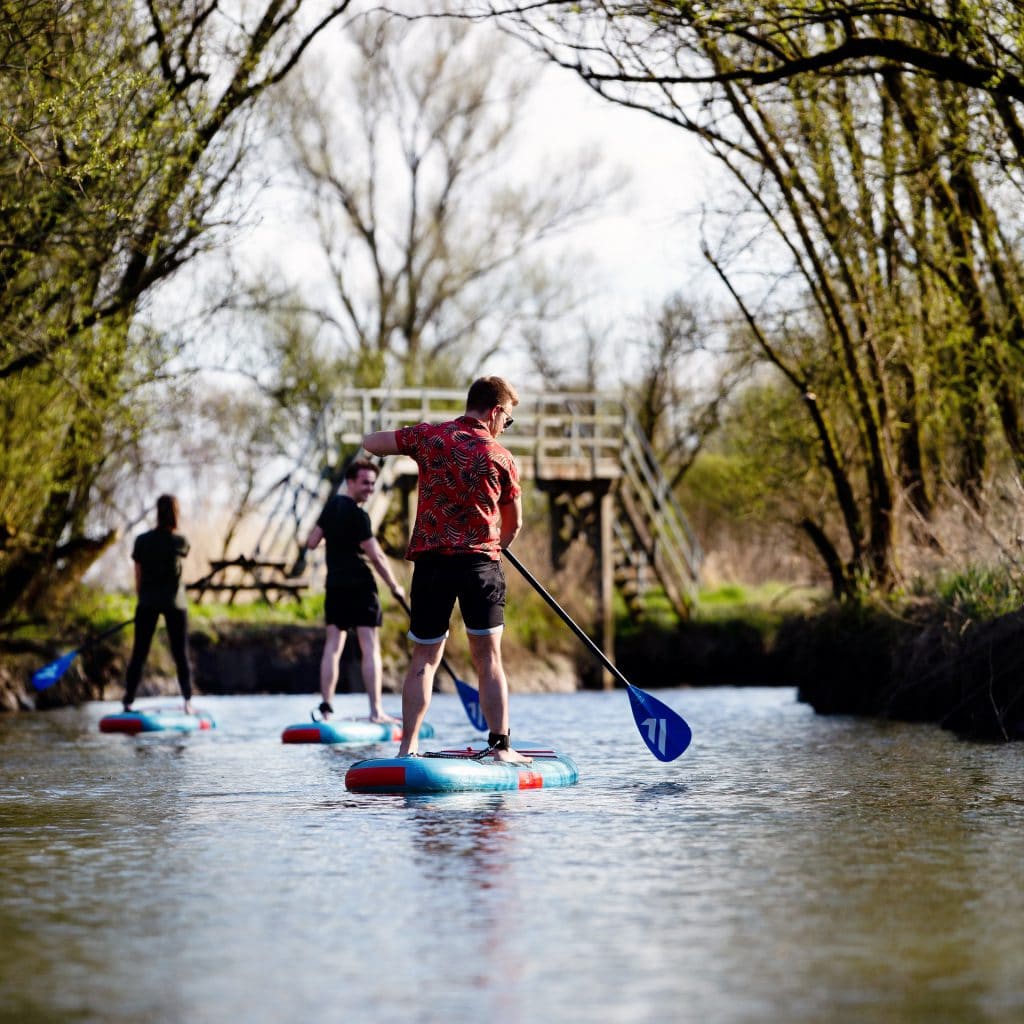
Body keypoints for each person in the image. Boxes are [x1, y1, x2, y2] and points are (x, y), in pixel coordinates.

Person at [363, 376, 528, 763]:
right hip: (479, 565)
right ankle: (501, 748)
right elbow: (514, 524)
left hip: (432, 564)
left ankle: (407, 748)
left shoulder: (429, 437)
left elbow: (371, 443)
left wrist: (410, 439)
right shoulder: (501, 457)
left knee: (423, 658)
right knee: (488, 658)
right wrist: (496, 546)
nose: (505, 427)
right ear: (495, 411)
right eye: (507, 419)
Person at [305, 459, 406, 723]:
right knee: (369, 647)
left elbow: (312, 542)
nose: (370, 489)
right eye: (365, 483)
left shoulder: (331, 508)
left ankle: (326, 710)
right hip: (361, 587)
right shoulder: (360, 516)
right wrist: (394, 586)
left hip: (335, 586)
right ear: (350, 482)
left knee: (333, 647)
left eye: (372, 484)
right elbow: (376, 556)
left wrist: (333, 535)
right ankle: (376, 712)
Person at [123, 494, 194, 713]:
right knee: (180, 653)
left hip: (147, 602)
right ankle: (188, 702)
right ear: (175, 513)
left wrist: (142, 599)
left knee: (139, 653)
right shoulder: (180, 541)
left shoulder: (142, 541)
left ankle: (128, 701)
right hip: (175, 603)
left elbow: (138, 574)